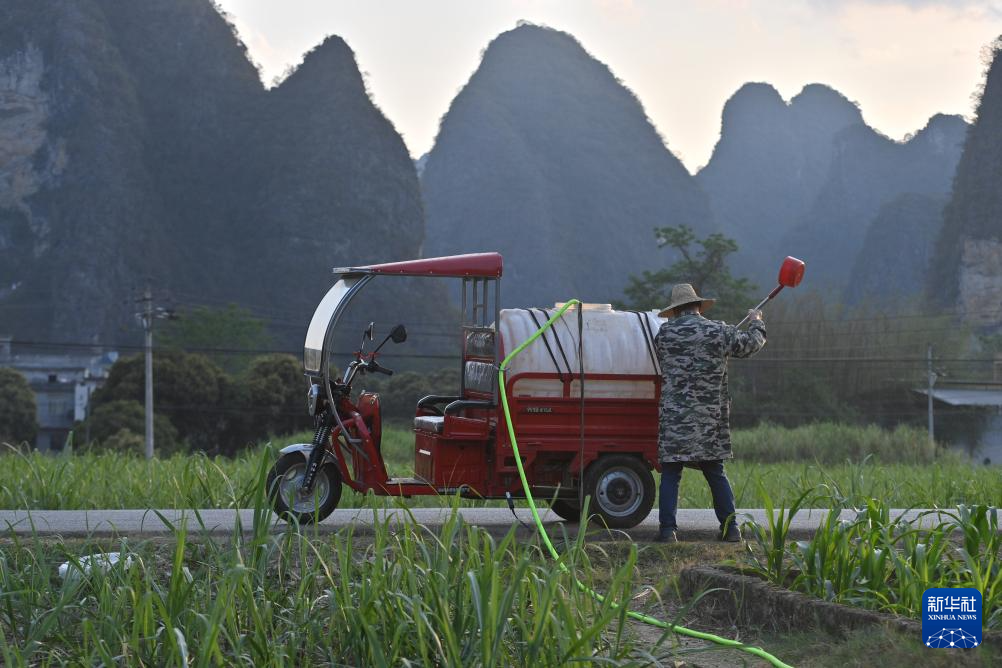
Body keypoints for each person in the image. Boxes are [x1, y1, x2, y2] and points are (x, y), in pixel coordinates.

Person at [653, 283, 766, 543]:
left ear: (675, 310)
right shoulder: (719, 331)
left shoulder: (664, 335)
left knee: (671, 473)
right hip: (709, 419)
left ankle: (668, 531)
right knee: (715, 472)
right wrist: (756, 321)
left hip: (675, 418)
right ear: (698, 307)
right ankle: (731, 529)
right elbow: (751, 345)